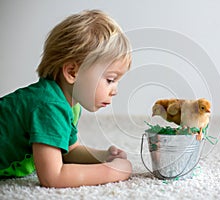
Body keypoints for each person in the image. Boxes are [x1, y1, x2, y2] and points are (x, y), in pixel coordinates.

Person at [0, 9, 132, 188]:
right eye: (110, 80)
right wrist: (112, 172)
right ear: (72, 72)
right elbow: (53, 177)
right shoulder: (49, 105)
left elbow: (69, 150)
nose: (114, 90)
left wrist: (103, 157)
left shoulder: (69, 104)